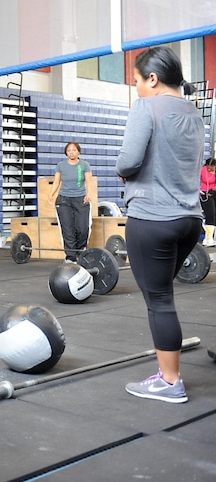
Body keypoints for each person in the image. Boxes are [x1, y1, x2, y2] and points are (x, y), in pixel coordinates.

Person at [116, 46, 204, 404]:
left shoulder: (145, 106)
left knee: (160, 301)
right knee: (163, 296)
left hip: (152, 218)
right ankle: (167, 373)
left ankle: (169, 382)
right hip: (189, 219)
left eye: (136, 80)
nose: (135, 87)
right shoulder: (195, 114)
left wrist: (122, 169)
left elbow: (128, 162)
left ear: (152, 79)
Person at [46, 142, 93, 263]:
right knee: (67, 229)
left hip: (81, 199)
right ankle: (70, 257)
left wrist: (89, 194)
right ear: (66, 152)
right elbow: (56, 182)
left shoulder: (84, 165)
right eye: (69, 150)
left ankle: (80, 250)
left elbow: (89, 181)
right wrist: (51, 195)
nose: (71, 152)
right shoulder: (61, 165)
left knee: (82, 228)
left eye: (74, 150)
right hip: (64, 200)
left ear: (78, 152)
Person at [199, 157, 216, 247]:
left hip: (214, 193)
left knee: (214, 215)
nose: (209, 169)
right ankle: (208, 238)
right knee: (210, 214)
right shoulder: (203, 170)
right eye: (208, 167)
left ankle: (211, 237)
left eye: (211, 167)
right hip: (205, 194)